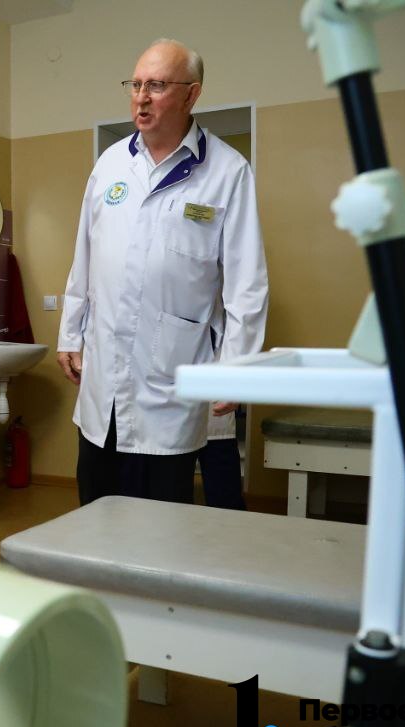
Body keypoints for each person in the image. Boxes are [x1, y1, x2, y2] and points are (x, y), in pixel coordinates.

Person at [56, 38, 268, 506]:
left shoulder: (228, 172)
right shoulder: (110, 165)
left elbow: (247, 283)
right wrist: (69, 333)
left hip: (170, 381)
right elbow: (84, 257)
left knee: (160, 525)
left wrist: (237, 367)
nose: (141, 98)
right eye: (135, 85)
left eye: (156, 86)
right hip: (102, 379)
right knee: (93, 517)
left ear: (192, 95)